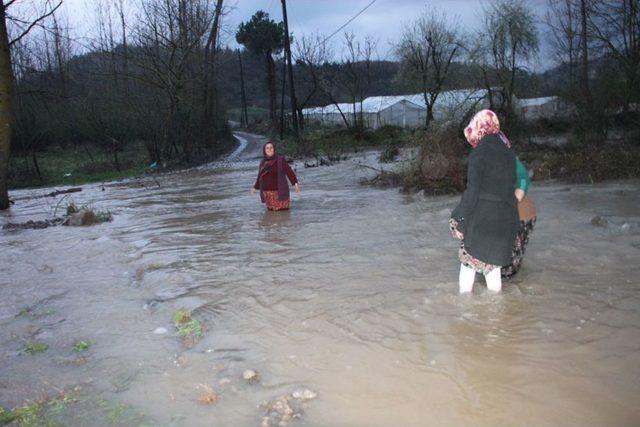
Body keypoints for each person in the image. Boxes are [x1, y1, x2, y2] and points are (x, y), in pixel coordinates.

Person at [449, 110, 519, 293]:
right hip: (506, 220)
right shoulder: (508, 153)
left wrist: (459, 222)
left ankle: (465, 313)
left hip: (483, 221)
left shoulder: (479, 153)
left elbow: (472, 193)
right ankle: (496, 318)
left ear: (478, 128)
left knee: (468, 266)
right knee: (492, 269)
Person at [502, 157, 537, 278]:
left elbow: (523, 179)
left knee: (509, 268)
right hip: (499, 217)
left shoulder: (510, 160)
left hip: (521, 216)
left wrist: (516, 197)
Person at [251, 141, 300, 210]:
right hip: (267, 194)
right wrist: (255, 187)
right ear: (264, 150)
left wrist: (295, 183)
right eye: (267, 148)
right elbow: (260, 176)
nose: (269, 150)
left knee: (283, 215)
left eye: (271, 148)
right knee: (271, 217)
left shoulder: (280, 160)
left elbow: (289, 172)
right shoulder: (262, 162)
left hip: (279, 193)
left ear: (274, 149)